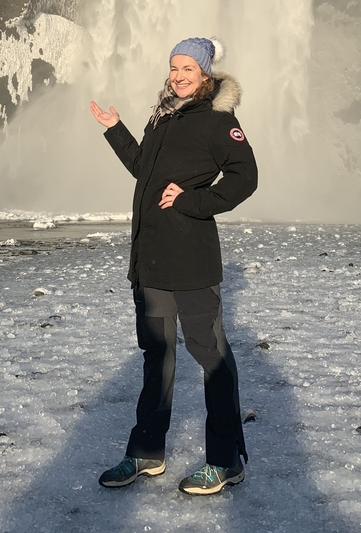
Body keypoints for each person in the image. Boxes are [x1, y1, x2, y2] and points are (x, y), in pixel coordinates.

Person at [89, 36, 258, 495]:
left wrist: (194, 201)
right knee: (156, 357)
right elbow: (145, 169)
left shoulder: (218, 120)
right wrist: (116, 129)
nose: (179, 76)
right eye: (174, 68)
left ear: (205, 73)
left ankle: (226, 461)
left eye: (188, 68)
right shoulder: (163, 116)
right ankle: (146, 453)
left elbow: (246, 177)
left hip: (192, 262)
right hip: (152, 261)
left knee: (212, 357)